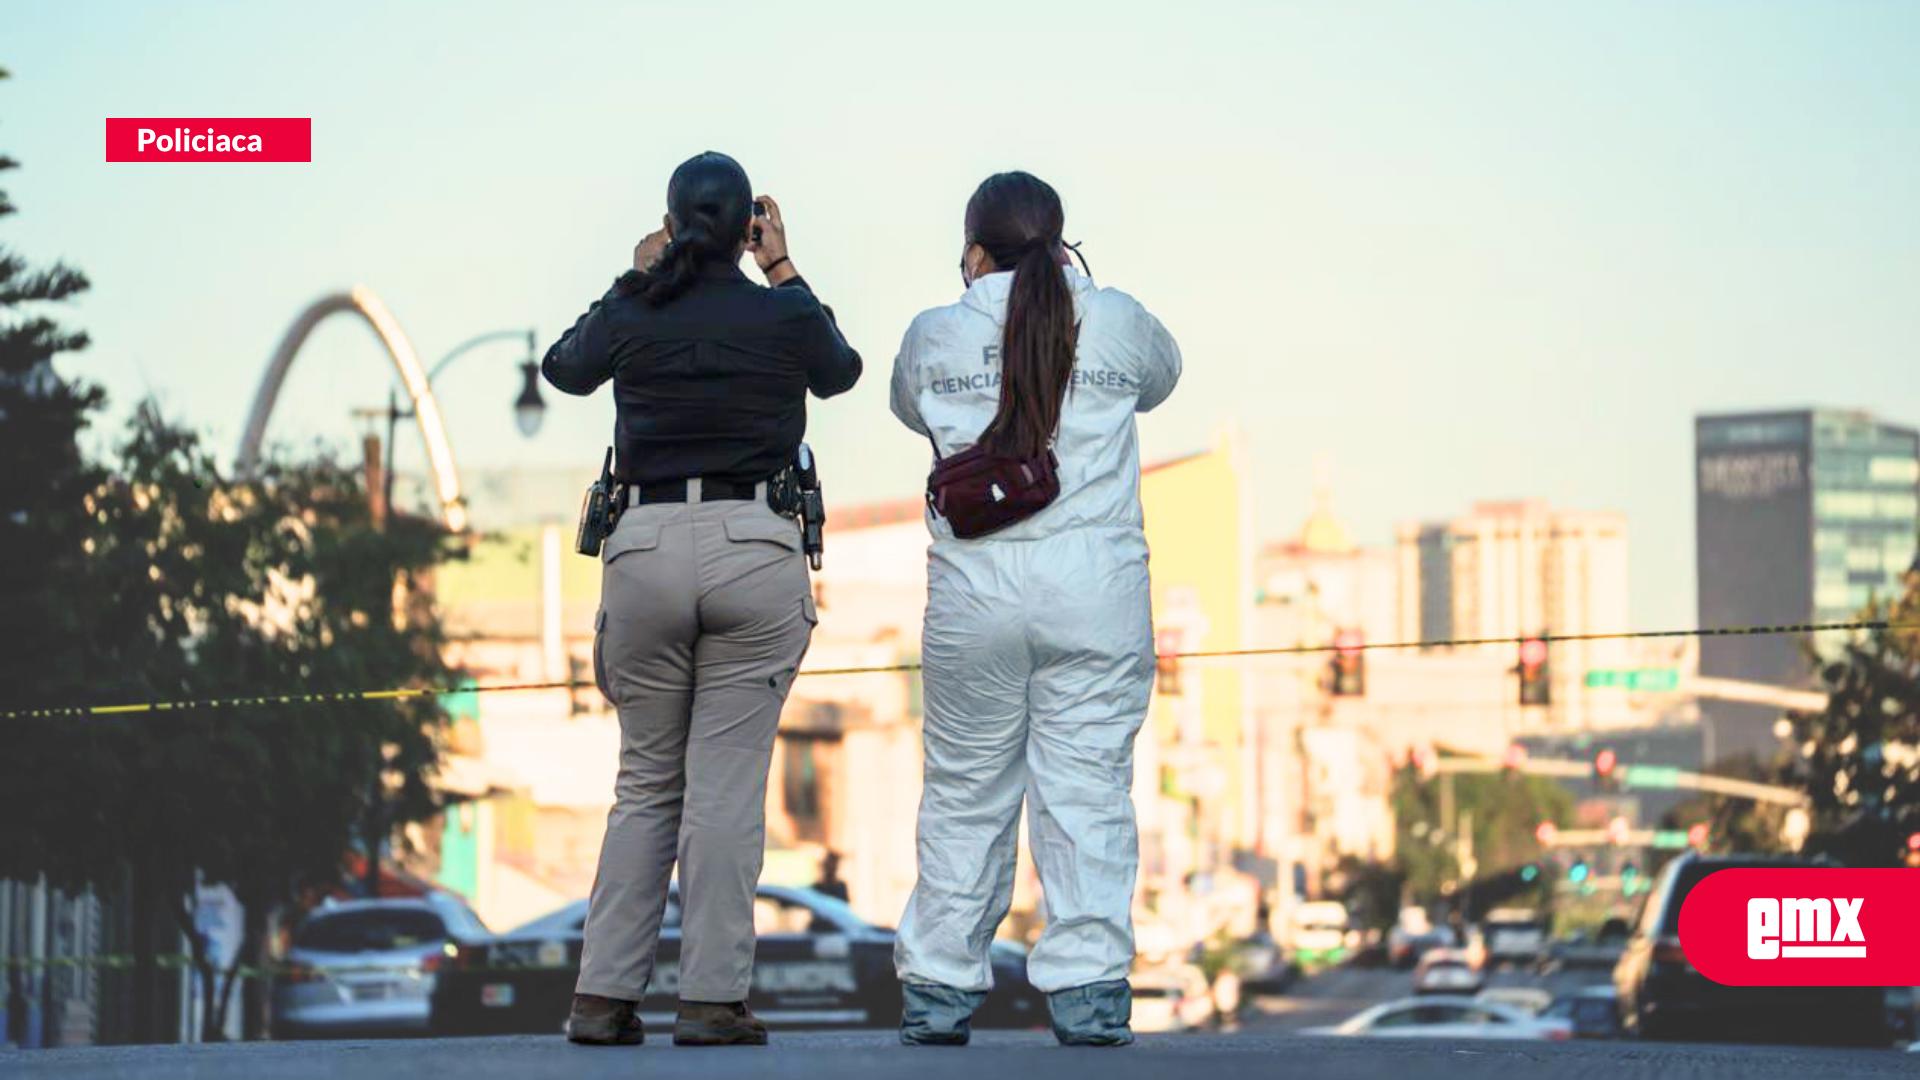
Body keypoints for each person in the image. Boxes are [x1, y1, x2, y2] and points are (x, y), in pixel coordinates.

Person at [543, 151, 862, 1048]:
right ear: (746, 228)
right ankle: (711, 1002)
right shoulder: (782, 311)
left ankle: (602, 1000)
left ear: (674, 223)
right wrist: (784, 266)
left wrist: (636, 271)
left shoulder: (637, 308)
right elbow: (839, 371)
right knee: (723, 788)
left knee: (645, 784)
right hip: (754, 545)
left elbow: (564, 369)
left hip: (642, 546)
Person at [888, 171, 1181, 1046]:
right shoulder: (1117, 318)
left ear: (973, 251)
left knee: (965, 794)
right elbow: (1161, 379)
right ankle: (1089, 992)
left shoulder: (935, 334)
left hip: (975, 598)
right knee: (1086, 790)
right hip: (1095, 596)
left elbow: (912, 407)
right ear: (1061, 246)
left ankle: (939, 990)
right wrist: (1077, 285)